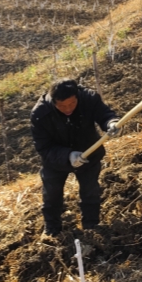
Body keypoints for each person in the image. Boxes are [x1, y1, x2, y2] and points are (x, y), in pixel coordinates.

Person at [30, 80, 119, 241]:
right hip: (56, 160)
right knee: (52, 194)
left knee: (90, 191)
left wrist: (111, 123)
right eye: (62, 106)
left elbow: (104, 114)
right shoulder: (40, 113)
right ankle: (52, 229)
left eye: (72, 103)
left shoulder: (89, 98)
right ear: (53, 101)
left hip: (88, 152)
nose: (68, 108)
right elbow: (43, 147)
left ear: (77, 96)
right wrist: (68, 156)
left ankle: (91, 227)